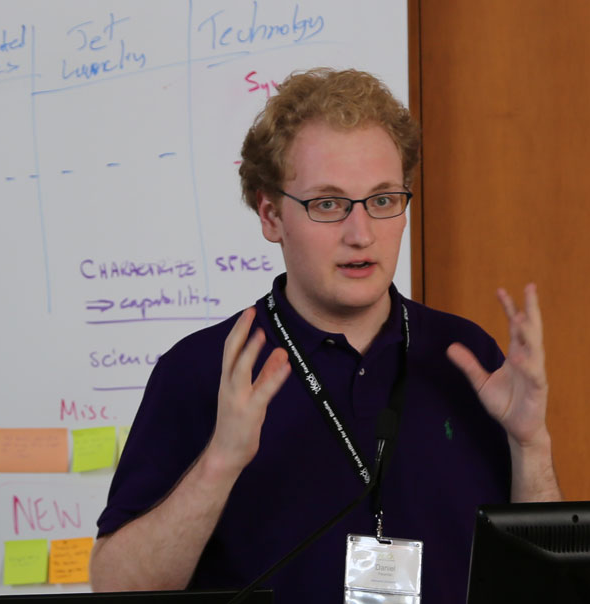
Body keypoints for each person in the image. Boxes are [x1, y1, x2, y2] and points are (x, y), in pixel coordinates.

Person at [89, 68, 560, 603]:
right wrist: (220, 462)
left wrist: (531, 445)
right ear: (271, 215)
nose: (361, 234)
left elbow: (545, 586)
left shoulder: (465, 356)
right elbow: (116, 588)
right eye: (328, 204)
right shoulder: (204, 368)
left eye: (382, 200)